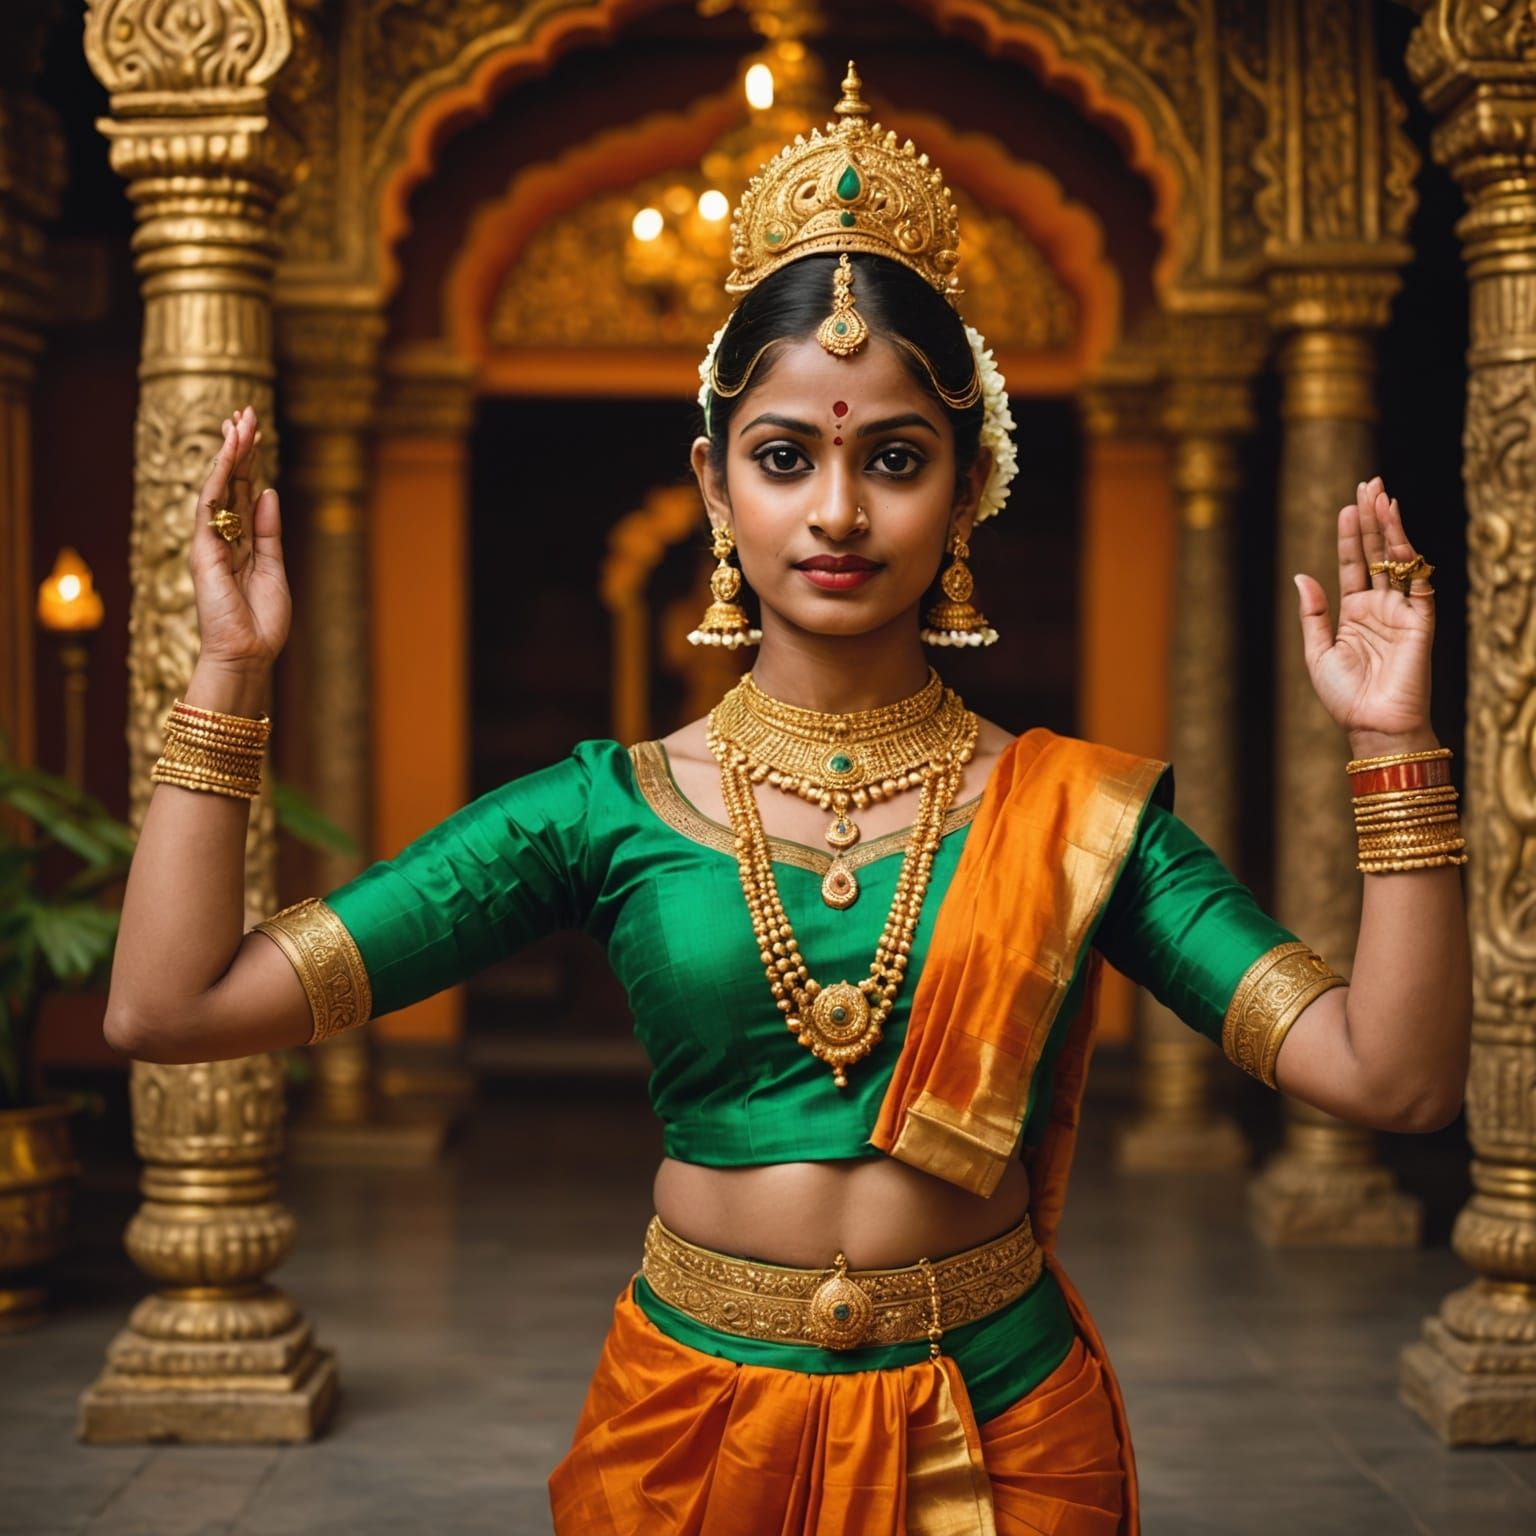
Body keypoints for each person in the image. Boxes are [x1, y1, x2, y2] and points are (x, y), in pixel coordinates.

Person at [103, 62, 1471, 1536]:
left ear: (965, 486)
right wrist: (229, 677)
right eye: (783, 457)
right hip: (692, 1431)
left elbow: (1388, 1080)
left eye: (893, 458)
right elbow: (171, 1010)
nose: (834, 512)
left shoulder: (1077, 816)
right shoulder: (603, 812)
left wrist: (1394, 746)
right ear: (713, 484)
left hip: (997, 1432)